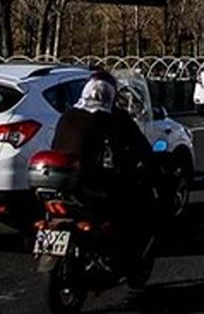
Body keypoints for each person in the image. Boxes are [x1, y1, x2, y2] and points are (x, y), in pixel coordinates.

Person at [51, 74, 155, 268]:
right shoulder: (115, 118)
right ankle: (118, 255)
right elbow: (140, 148)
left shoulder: (68, 115)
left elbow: (55, 145)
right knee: (131, 206)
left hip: (63, 182)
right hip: (95, 183)